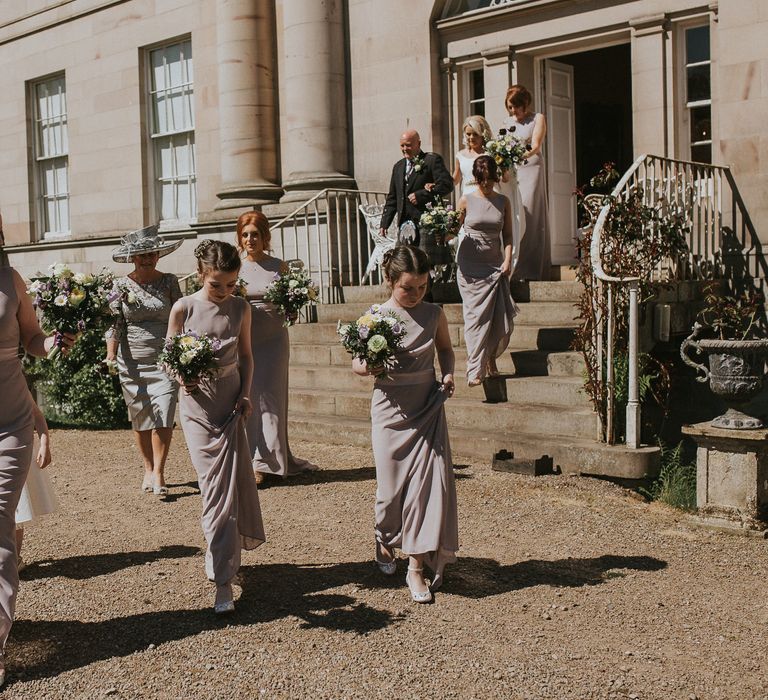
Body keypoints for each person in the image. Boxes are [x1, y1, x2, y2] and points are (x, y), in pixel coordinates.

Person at [352, 245, 458, 604]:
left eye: (422, 287)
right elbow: (357, 364)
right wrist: (369, 367)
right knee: (390, 492)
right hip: (390, 410)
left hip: (427, 406)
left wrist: (449, 374)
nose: (415, 295)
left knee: (427, 490)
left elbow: (445, 349)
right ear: (389, 281)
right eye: (407, 288)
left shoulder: (434, 314)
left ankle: (416, 567)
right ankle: (383, 536)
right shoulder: (375, 317)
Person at [166, 239, 265, 614]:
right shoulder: (184, 307)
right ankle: (223, 575)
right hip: (197, 406)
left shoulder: (242, 308)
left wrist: (247, 395)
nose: (225, 292)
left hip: (231, 403)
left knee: (233, 484)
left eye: (231, 284)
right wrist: (181, 377)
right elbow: (169, 356)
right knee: (213, 487)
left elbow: (247, 357)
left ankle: (221, 556)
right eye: (216, 284)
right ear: (200, 275)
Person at [0, 219, 74, 687]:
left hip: (9, 424)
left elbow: (31, 338)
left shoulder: (10, 280)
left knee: (1, 527)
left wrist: (49, 343)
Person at [235, 211, 317, 484]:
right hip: (244, 339)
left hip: (273, 340)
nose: (250, 240)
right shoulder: (234, 267)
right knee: (248, 396)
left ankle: (272, 460)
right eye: (245, 235)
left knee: (271, 398)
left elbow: (290, 300)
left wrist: (292, 309)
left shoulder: (279, 266)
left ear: (265, 236)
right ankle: (253, 461)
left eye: (255, 234)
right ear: (239, 237)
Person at [106, 225, 182, 498]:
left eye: (151, 253)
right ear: (132, 257)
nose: (147, 258)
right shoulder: (118, 285)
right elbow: (114, 322)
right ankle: (148, 467)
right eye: (141, 255)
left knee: (163, 411)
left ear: (158, 255)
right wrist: (110, 354)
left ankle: (160, 471)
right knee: (140, 417)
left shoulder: (171, 281)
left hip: (164, 357)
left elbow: (182, 315)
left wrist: (185, 350)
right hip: (132, 360)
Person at [456, 156, 519, 386]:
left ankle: (490, 360)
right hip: (469, 267)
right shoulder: (465, 200)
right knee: (474, 319)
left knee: (496, 317)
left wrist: (508, 259)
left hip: (494, 265)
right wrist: (442, 229)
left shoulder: (503, 201)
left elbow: (509, 235)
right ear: (476, 178)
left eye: (490, 181)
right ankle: (475, 369)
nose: (487, 185)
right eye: (483, 181)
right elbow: (453, 231)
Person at [379, 130, 454, 268]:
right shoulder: (398, 167)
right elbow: (393, 198)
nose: (404, 149)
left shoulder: (431, 161)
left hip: (425, 223)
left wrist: (422, 195)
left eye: (408, 145)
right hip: (404, 226)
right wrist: (385, 223)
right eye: (402, 146)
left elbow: (447, 185)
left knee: (424, 264)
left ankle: (427, 290)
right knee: (404, 265)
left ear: (418, 143)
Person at [503, 84, 552, 281]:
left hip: (531, 168)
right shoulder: (507, 122)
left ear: (525, 104)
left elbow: (536, 145)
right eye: (509, 107)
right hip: (512, 172)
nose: (513, 111)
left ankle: (530, 269)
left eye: (516, 106)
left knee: (530, 215)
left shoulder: (537, 118)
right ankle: (513, 265)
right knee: (514, 214)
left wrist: (516, 154)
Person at [16, 398, 58, 573]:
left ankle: (14, 559)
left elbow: (37, 415)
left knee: (17, 511)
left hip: (15, 453)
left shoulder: (13, 383)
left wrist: (44, 444)